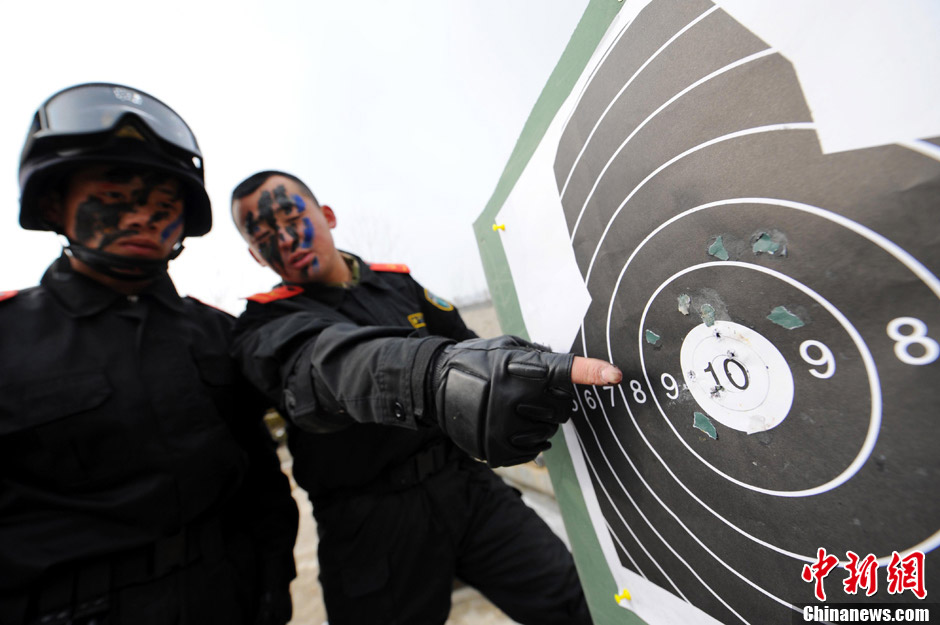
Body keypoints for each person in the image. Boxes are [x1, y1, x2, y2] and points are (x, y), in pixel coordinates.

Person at [230, 170, 622, 625]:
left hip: (467, 488)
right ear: (255, 255)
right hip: (371, 525)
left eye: (290, 216)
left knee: (576, 604)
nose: (284, 238)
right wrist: (435, 375)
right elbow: (324, 369)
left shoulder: (398, 285)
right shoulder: (261, 324)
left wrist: (513, 383)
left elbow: (472, 345)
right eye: (262, 234)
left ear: (328, 215)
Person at [0, 84, 298, 625]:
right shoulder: (7, 337)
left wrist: (274, 586)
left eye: (163, 206)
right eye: (115, 198)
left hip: (228, 601)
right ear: (53, 204)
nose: (141, 218)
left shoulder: (221, 335)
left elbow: (261, 484)